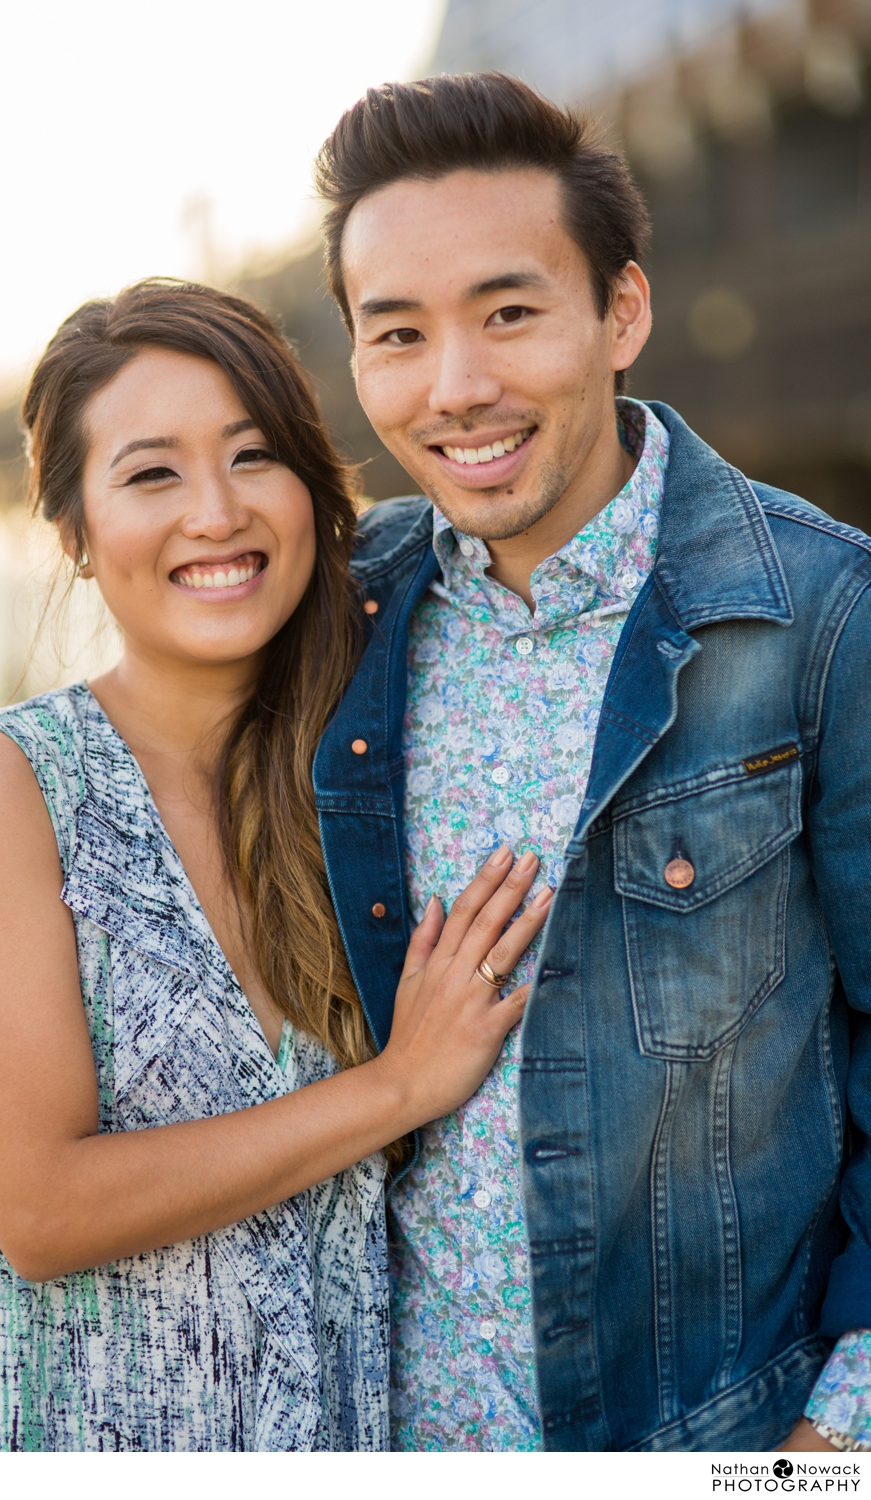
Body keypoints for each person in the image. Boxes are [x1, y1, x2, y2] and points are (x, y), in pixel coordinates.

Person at [308, 73, 871, 1452]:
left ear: (622, 311)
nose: (458, 389)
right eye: (399, 335)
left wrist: (835, 1447)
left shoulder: (822, 616)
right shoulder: (342, 615)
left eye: (509, 313)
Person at [0, 279, 551, 1452]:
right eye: (151, 473)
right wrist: (396, 1088)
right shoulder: (0, 784)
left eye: (254, 457)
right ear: (75, 533)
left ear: (311, 486)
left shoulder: (374, 773)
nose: (216, 512)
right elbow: (42, 1208)